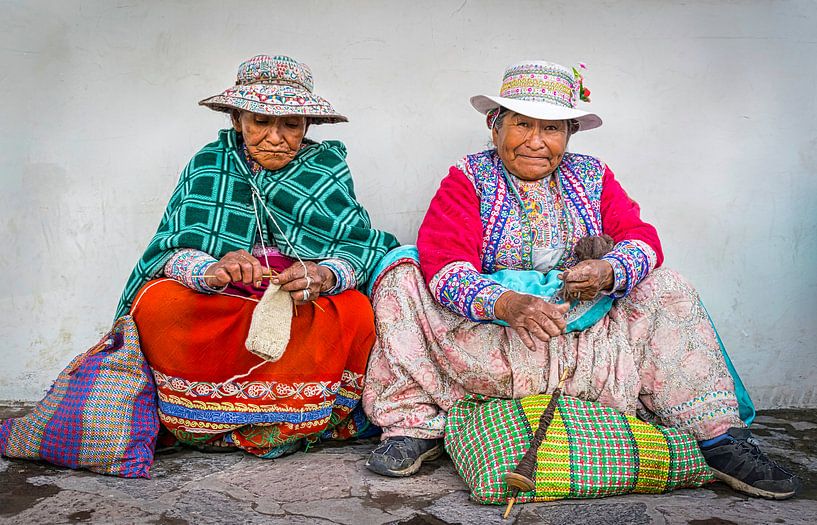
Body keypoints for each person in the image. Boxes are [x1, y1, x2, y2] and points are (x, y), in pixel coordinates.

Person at [361, 60, 799, 499]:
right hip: (490, 344)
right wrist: (506, 303)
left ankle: (718, 438)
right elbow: (445, 260)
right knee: (402, 271)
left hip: (586, 348)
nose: (535, 141)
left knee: (667, 284)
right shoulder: (467, 177)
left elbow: (642, 240)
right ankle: (414, 425)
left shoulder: (592, 174)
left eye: (552, 129)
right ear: (495, 128)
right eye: (521, 124)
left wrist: (608, 271)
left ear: (568, 135)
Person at [119, 55, 398, 458]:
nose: (275, 137)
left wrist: (325, 275)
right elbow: (168, 250)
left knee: (355, 310)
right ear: (237, 120)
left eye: (290, 124)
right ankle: (199, 420)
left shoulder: (325, 169)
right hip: (222, 299)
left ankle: (297, 418)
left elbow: (358, 248)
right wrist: (209, 269)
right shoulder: (210, 163)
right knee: (159, 303)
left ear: (306, 126)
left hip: (298, 301)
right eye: (261, 122)